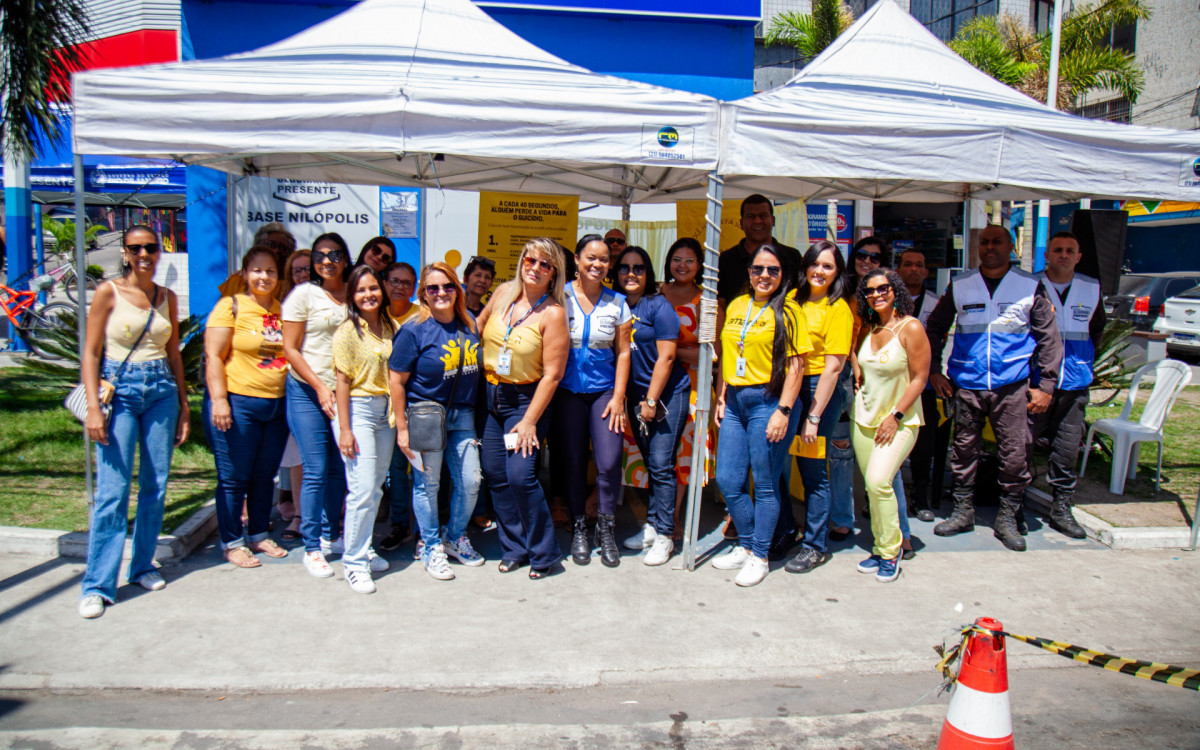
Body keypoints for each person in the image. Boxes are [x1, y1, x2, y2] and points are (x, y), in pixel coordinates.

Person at [926, 225, 1063, 551]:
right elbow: (934, 328)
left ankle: (1008, 516)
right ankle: (963, 511)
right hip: (967, 385)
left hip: (1011, 386)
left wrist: (1046, 385)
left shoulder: (1030, 286)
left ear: (1011, 246)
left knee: (1015, 453)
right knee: (963, 451)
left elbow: (1049, 338)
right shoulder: (960, 285)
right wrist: (933, 370)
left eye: (997, 242)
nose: (990, 247)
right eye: (984, 242)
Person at [78, 225, 189, 619]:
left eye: (151, 247)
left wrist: (184, 405)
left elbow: (174, 352)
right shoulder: (109, 292)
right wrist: (93, 406)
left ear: (160, 252)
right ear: (125, 252)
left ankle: (142, 565)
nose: (144, 254)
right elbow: (90, 354)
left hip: (161, 390)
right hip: (119, 391)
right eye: (136, 248)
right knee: (114, 490)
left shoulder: (167, 298)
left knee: (156, 484)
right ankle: (97, 584)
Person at [712, 245, 811, 587]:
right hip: (736, 401)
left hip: (770, 399)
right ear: (749, 272)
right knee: (727, 479)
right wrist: (721, 395)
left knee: (765, 484)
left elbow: (797, 366)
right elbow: (727, 351)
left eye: (772, 270)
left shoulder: (791, 311)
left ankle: (759, 555)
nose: (764, 276)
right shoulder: (739, 304)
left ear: (783, 274)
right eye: (757, 269)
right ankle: (747, 542)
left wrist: (784, 410)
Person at [477, 238, 569, 579]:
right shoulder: (502, 293)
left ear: (553, 272)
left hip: (525, 402)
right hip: (490, 397)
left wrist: (529, 421)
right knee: (496, 475)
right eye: (531, 260)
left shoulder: (553, 313)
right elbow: (477, 326)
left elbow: (553, 374)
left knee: (520, 475)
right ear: (521, 261)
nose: (535, 268)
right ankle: (514, 547)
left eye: (545, 264)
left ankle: (545, 553)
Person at [389, 263, 485, 580]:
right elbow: (396, 381)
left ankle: (454, 536)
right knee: (427, 485)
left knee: (470, 481)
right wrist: (402, 428)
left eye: (447, 286)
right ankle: (431, 545)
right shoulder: (414, 329)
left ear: (457, 289)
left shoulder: (469, 323)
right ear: (424, 294)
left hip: (463, 415)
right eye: (433, 288)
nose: (441, 293)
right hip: (426, 414)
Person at [204, 246, 290, 568]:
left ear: (278, 277)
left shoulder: (283, 311)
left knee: (264, 476)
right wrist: (220, 400)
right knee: (233, 477)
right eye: (257, 270)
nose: (264, 276)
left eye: (270, 271)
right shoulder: (231, 306)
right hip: (239, 402)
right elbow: (213, 355)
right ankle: (231, 541)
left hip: (276, 406)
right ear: (244, 274)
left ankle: (257, 534)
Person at [779, 240, 854, 574]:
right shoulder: (791, 299)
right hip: (784, 388)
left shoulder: (838, 309)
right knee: (776, 463)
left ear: (837, 272)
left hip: (817, 391)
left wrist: (813, 416)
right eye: (815, 264)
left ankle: (815, 545)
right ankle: (786, 531)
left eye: (828, 266)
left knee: (812, 471)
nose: (820, 271)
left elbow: (834, 368)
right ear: (805, 266)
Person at [850, 269, 930, 582]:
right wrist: (857, 372)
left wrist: (894, 415)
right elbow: (856, 355)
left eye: (883, 288)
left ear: (895, 290)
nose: (877, 294)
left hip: (899, 421)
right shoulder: (869, 327)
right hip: (864, 418)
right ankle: (881, 546)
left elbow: (920, 378)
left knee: (879, 482)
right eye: (870, 291)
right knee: (873, 489)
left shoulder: (910, 327)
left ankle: (891, 551)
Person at [557, 234, 632, 567]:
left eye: (604, 259)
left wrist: (618, 398)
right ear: (576, 259)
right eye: (591, 257)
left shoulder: (618, 301)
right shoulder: (559, 297)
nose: (597, 264)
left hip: (604, 392)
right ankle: (578, 527)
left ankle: (606, 528)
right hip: (567, 392)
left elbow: (624, 351)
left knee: (608, 462)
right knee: (572, 462)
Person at [282, 232, 350, 578]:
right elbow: (291, 349)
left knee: (340, 467)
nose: (328, 261)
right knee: (316, 467)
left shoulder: (353, 291)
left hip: (344, 393)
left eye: (335, 254)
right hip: (307, 392)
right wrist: (320, 387)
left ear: (345, 258)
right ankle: (311, 546)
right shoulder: (303, 294)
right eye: (321, 255)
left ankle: (333, 534)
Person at [616, 246, 690, 566]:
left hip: (665, 395)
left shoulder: (658, 306)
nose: (631, 274)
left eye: (638, 268)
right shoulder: (616, 305)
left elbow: (668, 356)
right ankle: (652, 524)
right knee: (651, 463)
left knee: (661, 463)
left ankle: (664, 534)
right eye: (624, 268)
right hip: (635, 396)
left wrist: (650, 400)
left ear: (648, 273)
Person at [648, 237, 722, 546]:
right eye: (677, 259)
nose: (682, 266)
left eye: (690, 261)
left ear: (700, 266)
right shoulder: (655, 295)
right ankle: (655, 518)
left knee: (681, 456)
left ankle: (673, 516)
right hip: (653, 382)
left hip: (691, 387)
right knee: (656, 453)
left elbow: (711, 353)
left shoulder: (707, 301)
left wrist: (669, 353)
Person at [1028, 231, 1101, 539]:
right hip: (1035, 384)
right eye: (1057, 249)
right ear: (1047, 255)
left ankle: (1061, 508)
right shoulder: (1031, 286)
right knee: (1022, 446)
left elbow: (1096, 330)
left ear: (1078, 256)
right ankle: (1015, 503)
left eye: (1070, 250)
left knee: (1067, 450)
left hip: (1074, 382)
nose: (1064, 255)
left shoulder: (1091, 288)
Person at [331, 265, 396, 594]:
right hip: (357, 411)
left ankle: (364, 547)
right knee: (361, 488)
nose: (368, 295)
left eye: (373, 288)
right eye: (360, 290)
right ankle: (353, 562)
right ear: (351, 296)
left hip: (385, 413)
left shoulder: (389, 326)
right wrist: (345, 429)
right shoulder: (347, 331)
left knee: (374, 488)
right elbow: (341, 383)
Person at [897, 249, 944, 522]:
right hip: (892, 386)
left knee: (924, 445)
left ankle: (920, 496)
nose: (913, 269)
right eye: (908, 264)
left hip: (923, 387)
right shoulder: (884, 301)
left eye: (919, 265)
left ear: (926, 272)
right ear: (899, 269)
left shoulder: (937, 303)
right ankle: (879, 498)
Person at [378, 261, 421, 551]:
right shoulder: (375, 314)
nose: (400, 287)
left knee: (419, 468)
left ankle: (422, 530)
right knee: (394, 467)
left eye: (407, 282)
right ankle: (398, 523)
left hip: (415, 403)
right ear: (385, 283)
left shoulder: (421, 316)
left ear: (414, 286)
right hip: (380, 402)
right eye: (394, 281)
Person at [716, 194, 802, 306]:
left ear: (773, 220)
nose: (757, 221)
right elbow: (720, 304)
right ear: (741, 224)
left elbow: (802, 297)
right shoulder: (726, 259)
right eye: (751, 216)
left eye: (763, 215)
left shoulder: (792, 257)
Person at [218, 223, 296, 297]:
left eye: (283, 247)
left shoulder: (293, 285)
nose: (276, 250)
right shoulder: (238, 281)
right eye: (271, 244)